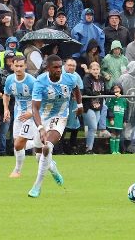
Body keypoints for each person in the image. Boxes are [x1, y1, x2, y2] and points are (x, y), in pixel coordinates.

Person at [28, 55, 84, 197]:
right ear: (48, 68)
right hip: (42, 118)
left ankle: (37, 187)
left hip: (60, 117)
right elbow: (35, 108)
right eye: (56, 67)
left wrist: (80, 105)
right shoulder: (40, 81)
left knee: (47, 147)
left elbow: (76, 89)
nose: (59, 70)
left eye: (60, 66)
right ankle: (52, 168)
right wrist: (40, 128)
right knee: (39, 156)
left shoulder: (69, 78)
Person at [4, 56, 38, 176]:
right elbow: (6, 95)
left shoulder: (32, 81)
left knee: (18, 144)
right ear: (12, 66)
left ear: (25, 66)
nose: (18, 69)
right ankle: (38, 142)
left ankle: (17, 171)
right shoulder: (9, 79)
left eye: (21, 66)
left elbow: (40, 100)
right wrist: (6, 109)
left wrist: (31, 113)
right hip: (18, 114)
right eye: (16, 66)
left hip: (31, 115)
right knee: (17, 145)